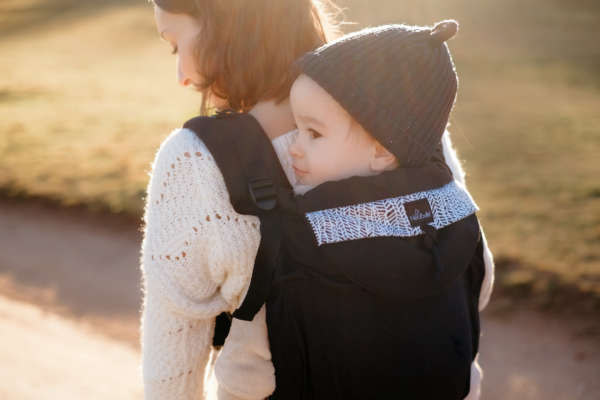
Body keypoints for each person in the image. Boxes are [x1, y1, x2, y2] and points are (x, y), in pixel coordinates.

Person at [140, 0, 494, 397]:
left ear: (224, 25)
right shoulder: (402, 120)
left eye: (175, 46)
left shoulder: (195, 162)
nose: (181, 76)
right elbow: (472, 275)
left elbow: (171, 370)